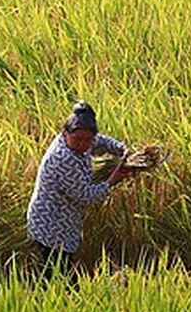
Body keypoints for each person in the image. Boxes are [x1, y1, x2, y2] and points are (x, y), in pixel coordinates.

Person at [25, 101, 138, 282]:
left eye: (87, 140)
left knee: (54, 276)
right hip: (50, 225)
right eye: (77, 139)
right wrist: (114, 179)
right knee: (62, 279)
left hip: (63, 223)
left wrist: (121, 149)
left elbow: (101, 141)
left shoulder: (83, 140)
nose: (82, 144)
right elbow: (86, 197)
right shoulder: (63, 159)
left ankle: (38, 298)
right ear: (65, 133)